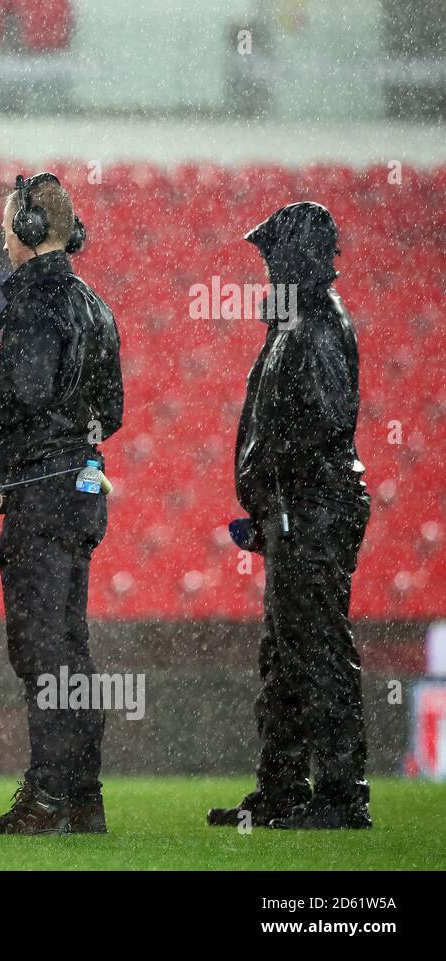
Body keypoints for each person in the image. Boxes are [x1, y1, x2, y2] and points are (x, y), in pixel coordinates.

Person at [0, 173, 123, 835]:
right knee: (68, 643)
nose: (1, 239)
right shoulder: (93, 303)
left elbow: (21, 399)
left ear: (24, 231)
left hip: (42, 490)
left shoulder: (37, 301)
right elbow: (113, 410)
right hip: (81, 485)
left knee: (42, 645)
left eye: (4, 227)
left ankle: (49, 796)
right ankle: (79, 795)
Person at [207, 202, 373, 831]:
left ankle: (339, 794)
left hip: (315, 509)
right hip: (297, 509)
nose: (267, 268)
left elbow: (324, 427)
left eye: (274, 257)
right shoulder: (293, 323)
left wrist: (278, 491)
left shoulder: (317, 327)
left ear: (297, 258)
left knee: (317, 647)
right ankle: (280, 789)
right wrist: (269, 500)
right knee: (285, 651)